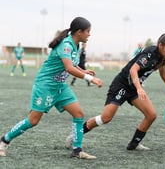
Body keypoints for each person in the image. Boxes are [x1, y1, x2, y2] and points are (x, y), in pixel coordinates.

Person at [0, 17, 103, 159]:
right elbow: (68, 68)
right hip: (45, 85)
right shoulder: (66, 45)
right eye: (88, 31)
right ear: (79, 32)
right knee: (33, 120)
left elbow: (71, 63)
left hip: (60, 87)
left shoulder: (76, 45)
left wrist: (83, 70)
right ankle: (4, 140)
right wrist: (90, 79)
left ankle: (77, 151)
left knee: (78, 114)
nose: (89, 34)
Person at [65, 33, 165, 151]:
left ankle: (134, 144)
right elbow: (133, 70)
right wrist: (139, 88)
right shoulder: (149, 53)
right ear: (160, 45)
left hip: (133, 87)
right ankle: (75, 135)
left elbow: (163, 73)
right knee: (106, 118)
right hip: (122, 85)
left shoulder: (161, 57)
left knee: (151, 115)